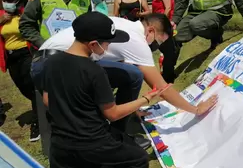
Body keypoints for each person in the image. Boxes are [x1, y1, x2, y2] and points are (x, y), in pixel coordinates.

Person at [42, 12, 162, 168]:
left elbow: (48, 100)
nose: (108, 47)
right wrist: (146, 99)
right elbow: (112, 114)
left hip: (60, 144)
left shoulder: (51, 63)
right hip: (92, 141)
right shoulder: (94, 71)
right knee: (138, 160)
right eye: (107, 43)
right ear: (92, 44)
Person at [32, 13, 218, 129]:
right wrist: (195, 109)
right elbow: (161, 87)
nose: (155, 46)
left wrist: (132, 107)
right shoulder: (136, 40)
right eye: (158, 41)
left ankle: (121, 116)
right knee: (133, 74)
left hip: (43, 60)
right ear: (151, 31)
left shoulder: (124, 24)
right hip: (53, 66)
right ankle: (117, 130)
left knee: (130, 73)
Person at [0, 0, 40, 141]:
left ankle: (37, 124)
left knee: (32, 87)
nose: (6, 3)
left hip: (26, 55)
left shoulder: (25, 15)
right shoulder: (2, 16)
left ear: (17, 2)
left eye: (10, 0)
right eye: (4, 0)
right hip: (11, 59)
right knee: (24, 89)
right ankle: (42, 109)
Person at [151, 0, 177, 82]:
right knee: (167, 50)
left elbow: (168, 8)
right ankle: (168, 74)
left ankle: (167, 76)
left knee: (168, 50)